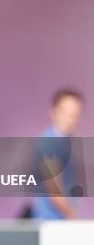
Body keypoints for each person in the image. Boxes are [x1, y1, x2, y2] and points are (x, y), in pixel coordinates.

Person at [32, 89, 84, 220]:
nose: (71, 119)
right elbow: (55, 192)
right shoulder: (50, 144)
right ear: (53, 112)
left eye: (75, 114)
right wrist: (75, 219)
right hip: (52, 224)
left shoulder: (64, 143)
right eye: (67, 113)